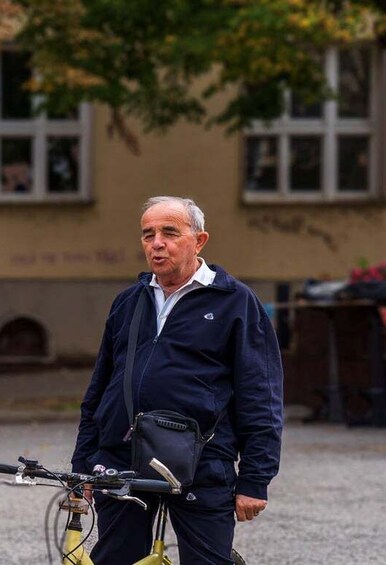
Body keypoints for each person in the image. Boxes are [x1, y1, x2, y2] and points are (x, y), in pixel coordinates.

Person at [71, 196, 283, 564]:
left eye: (170, 232)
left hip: (202, 463)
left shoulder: (235, 302)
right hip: (121, 458)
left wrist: (254, 478)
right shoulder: (128, 302)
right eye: (148, 234)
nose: (157, 243)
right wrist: (82, 464)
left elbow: (260, 394)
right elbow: (100, 388)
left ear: (199, 240)